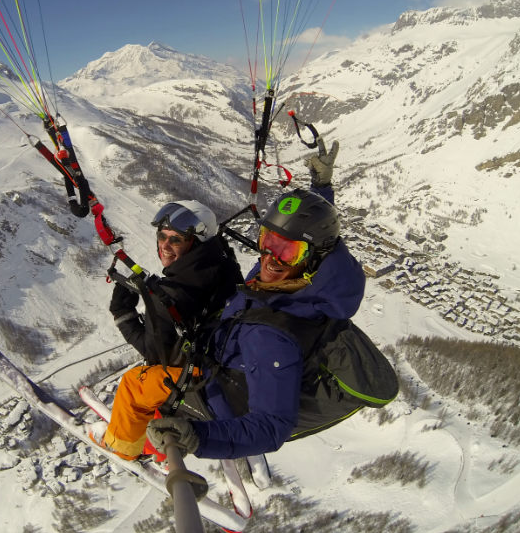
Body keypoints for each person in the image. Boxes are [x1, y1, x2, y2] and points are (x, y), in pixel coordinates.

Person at [145, 140, 368, 459]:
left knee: (143, 386)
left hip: (220, 397)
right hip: (225, 351)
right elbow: (314, 232)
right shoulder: (293, 277)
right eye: (267, 240)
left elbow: (271, 427)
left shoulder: (271, 336)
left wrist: (198, 437)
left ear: (312, 260)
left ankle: (135, 447)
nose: (270, 257)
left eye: (287, 251)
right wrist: (321, 186)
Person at [89, 199, 244, 460]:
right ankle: (156, 448)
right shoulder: (223, 260)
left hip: (205, 376)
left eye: (176, 240)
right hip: (227, 363)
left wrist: (122, 313)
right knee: (165, 387)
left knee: (136, 384)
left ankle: (124, 448)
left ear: (195, 242)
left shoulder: (174, 296)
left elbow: (154, 352)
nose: (165, 245)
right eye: (162, 236)